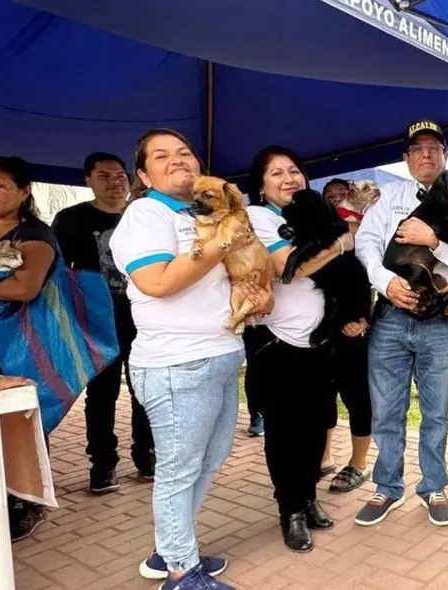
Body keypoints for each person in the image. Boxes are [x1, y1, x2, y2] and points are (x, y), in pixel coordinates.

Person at [111, 129, 270, 590]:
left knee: (210, 458)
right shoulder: (145, 213)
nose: (177, 160)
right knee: (180, 468)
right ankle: (181, 571)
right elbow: (158, 282)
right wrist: (224, 240)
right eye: (161, 156)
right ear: (143, 174)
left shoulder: (201, 210)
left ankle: (171, 547)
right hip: (176, 363)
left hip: (219, 354)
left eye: (184, 152)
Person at [353, 120, 448, 527]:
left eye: (434, 148)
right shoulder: (389, 197)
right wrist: (385, 281)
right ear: (407, 158)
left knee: (437, 410)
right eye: (418, 149)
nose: (426, 154)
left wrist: (434, 241)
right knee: (387, 410)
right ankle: (387, 487)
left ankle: (434, 486)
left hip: (441, 317)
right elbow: (366, 244)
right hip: (391, 316)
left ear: (445, 156)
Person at [243, 145, 363, 552]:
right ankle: (289, 510)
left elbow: (345, 272)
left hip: (319, 344)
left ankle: (309, 498)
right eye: (276, 173)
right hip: (277, 344)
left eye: (293, 170)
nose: (288, 178)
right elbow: (291, 265)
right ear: (260, 185)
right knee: (284, 432)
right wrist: (344, 241)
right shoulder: (257, 218)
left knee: (317, 426)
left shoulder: (313, 213)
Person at [53, 152, 155, 494]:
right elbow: (58, 275)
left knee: (146, 389)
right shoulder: (70, 219)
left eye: (119, 175)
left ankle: (147, 454)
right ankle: (103, 463)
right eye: (103, 175)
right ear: (88, 180)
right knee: (101, 393)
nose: (114, 182)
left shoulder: (144, 216)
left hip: (146, 319)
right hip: (96, 321)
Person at [0, 155, 59, 541]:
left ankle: (25, 501)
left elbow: (25, 288)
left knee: (18, 423)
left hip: (12, 342)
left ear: (24, 192)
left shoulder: (36, 235)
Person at [317, 177, 375, 494]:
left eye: (344, 194)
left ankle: (359, 463)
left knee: (357, 398)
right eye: (331, 196)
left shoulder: (369, 235)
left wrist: (364, 319)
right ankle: (324, 458)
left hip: (355, 329)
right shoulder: (319, 239)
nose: (338, 200)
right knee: (323, 397)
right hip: (322, 329)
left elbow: (375, 280)